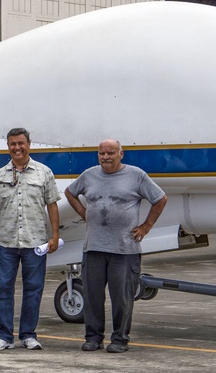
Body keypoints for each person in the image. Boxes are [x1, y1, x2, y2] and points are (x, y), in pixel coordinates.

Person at [65, 139, 167, 353]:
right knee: (93, 297)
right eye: (101, 153)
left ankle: (120, 339)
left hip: (124, 250)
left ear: (121, 154)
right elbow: (70, 193)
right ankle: (93, 338)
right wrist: (84, 213)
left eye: (111, 153)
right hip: (93, 248)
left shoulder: (136, 175)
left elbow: (160, 199)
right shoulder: (89, 175)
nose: (106, 157)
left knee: (121, 298)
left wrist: (146, 226)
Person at [0, 127, 61, 351]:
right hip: (5, 242)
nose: (17, 148)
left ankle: (28, 334)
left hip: (35, 241)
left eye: (21, 143)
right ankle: (4, 336)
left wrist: (55, 235)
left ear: (29, 144)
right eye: (12, 144)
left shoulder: (43, 172)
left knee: (34, 289)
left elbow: (52, 204)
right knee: (2, 289)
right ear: (8, 146)